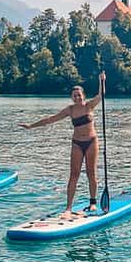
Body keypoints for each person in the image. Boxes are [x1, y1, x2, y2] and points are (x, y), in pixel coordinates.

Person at [18, 73, 106, 220]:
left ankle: (93, 202)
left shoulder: (89, 106)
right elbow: (50, 119)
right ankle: (68, 208)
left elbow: (101, 95)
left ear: (83, 95)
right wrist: (31, 126)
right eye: (74, 96)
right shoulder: (70, 110)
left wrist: (101, 81)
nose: (77, 98)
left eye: (79, 95)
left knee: (91, 173)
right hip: (77, 144)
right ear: (72, 97)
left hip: (91, 142)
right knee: (74, 174)